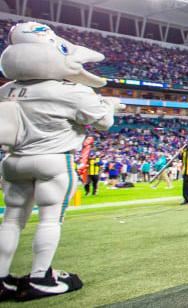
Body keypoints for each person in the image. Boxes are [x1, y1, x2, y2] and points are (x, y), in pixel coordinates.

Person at [0, 22, 122, 300]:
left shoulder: (6, 91)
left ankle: (2, 277)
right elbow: (102, 122)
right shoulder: (70, 91)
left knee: (10, 220)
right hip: (52, 160)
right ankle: (40, 276)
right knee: (50, 219)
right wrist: (110, 107)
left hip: (13, 160)